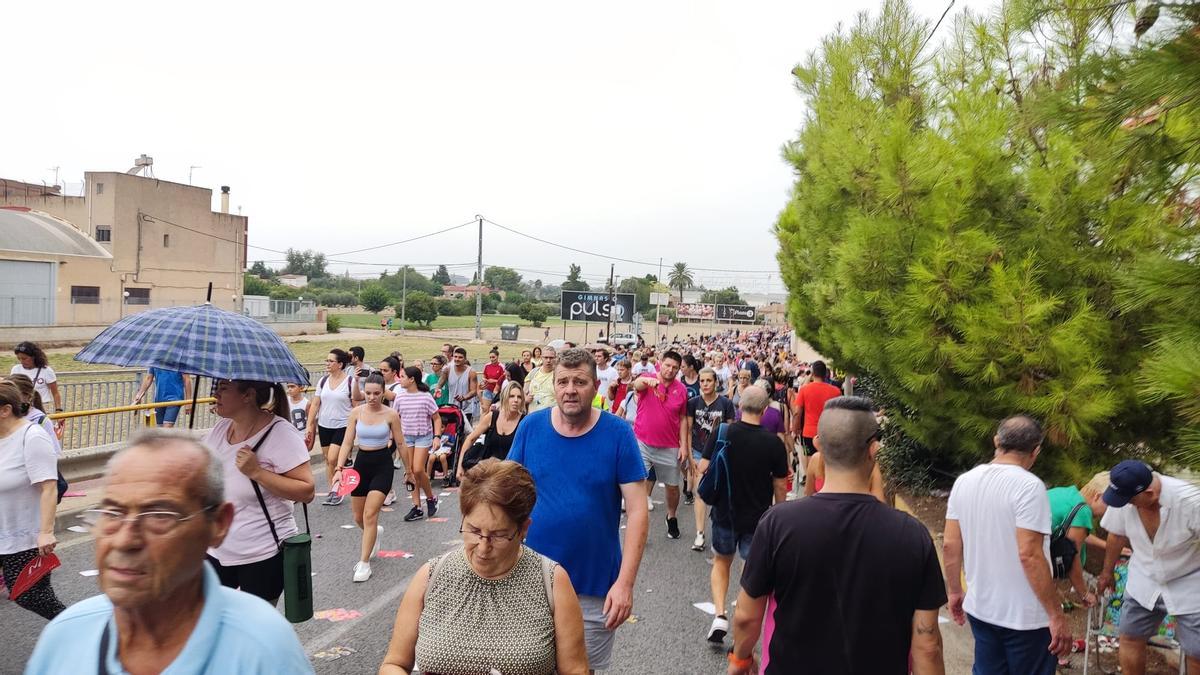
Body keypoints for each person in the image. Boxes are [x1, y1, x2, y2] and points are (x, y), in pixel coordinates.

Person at [27, 430, 313, 674]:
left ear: (217, 525)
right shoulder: (65, 635)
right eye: (112, 513)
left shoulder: (264, 647)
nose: (125, 541)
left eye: (159, 516)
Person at [727, 396, 946, 675]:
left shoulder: (778, 524)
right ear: (873, 449)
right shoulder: (912, 535)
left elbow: (747, 616)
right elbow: (927, 644)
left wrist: (740, 660)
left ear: (818, 444)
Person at [508, 348, 649, 673]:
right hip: (530, 580)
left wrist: (625, 584)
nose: (570, 389)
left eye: (580, 382)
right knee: (525, 665)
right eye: (563, 381)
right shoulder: (531, 427)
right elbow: (506, 491)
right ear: (553, 385)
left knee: (580, 669)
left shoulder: (618, 433)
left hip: (594, 584)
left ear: (596, 385)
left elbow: (638, 511)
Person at [380, 459, 588, 675]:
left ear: (524, 528)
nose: (483, 547)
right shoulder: (432, 575)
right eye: (474, 530)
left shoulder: (551, 581)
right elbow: (394, 663)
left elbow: (575, 669)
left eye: (498, 535)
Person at [943, 415, 1071, 674]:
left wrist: (955, 590)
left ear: (996, 441)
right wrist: (1055, 614)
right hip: (1025, 618)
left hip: (982, 607)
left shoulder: (964, 481)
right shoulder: (1029, 487)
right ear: (1036, 450)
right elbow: (1030, 554)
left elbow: (950, 544)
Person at [204, 380, 315, 603]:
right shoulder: (221, 428)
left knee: (251, 630)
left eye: (224, 389)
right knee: (206, 621)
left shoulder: (281, 433)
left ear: (248, 395)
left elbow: (306, 491)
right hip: (216, 549)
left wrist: (257, 472)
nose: (216, 394)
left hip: (262, 554)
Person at [697, 386, 786, 645]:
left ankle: (720, 615)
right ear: (766, 408)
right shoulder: (773, 443)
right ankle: (742, 622)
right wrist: (778, 513)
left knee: (721, 562)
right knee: (750, 570)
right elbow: (780, 484)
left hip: (725, 511)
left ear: (739, 406)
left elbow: (703, 467)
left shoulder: (723, 432)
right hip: (758, 517)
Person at [1096, 460, 1200, 675]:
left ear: (1150, 493)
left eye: (1131, 500)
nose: (1127, 504)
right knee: (1130, 637)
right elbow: (1116, 534)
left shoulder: (1190, 501)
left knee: (1196, 652)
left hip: (1189, 581)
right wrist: (1107, 572)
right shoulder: (1125, 498)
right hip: (1144, 578)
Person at [0, 380, 64, 620]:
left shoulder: (32, 436)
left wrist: (45, 532)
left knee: (32, 596)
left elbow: (49, 487)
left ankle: (83, 633)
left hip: (23, 537)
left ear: (5, 410)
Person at [333, 374, 404, 582]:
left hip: (382, 464)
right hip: (361, 464)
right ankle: (375, 534)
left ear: (383, 393)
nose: (372, 397)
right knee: (358, 517)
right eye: (368, 393)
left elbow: (400, 444)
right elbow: (347, 443)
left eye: (376, 393)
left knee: (370, 514)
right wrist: (339, 467)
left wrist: (410, 472)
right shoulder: (356, 412)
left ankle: (364, 563)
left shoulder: (391, 415)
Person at [632, 349, 688, 539]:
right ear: (660, 364)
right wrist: (646, 381)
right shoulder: (647, 379)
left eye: (675, 368)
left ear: (679, 370)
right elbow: (636, 384)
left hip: (670, 446)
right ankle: (639, 524)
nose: (670, 370)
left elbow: (682, 419)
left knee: (672, 487)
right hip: (643, 443)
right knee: (638, 484)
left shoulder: (681, 390)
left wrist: (684, 446)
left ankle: (671, 516)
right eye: (667, 365)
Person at [685, 367, 736, 552]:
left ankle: (720, 530)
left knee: (720, 493)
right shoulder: (692, 403)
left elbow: (732, 431)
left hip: (720, 454)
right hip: (699, 452)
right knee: (700, 492)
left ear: (716, 382)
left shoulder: (725, 404)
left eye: (709, 380)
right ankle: (700, 533)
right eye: (702, 380)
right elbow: (689, 429)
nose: (705, 384)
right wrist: (690, 456)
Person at [306, 349, 363, 506]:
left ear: (340, 364)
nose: (327, 363)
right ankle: (333, 490)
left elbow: (355, 405)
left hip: (343, 425)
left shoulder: (349, 381)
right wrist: (309, 425)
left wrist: (356, 428)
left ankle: (338, 490)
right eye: (327, 360)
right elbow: (316, 403)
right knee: (328, 460)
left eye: (330, 361)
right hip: (324, 425)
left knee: (333, 458)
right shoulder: (323, 381)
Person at [394, 365, 443, 522]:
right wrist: (392, 438)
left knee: (418, 469)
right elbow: (395, 419)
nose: (399, 379)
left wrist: (437, 437)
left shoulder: (425, 396)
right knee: (409, 472)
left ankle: (430, 498)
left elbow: (436, 418)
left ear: (412, 379)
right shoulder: (400, 397)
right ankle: (417, 506)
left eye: (402, 377)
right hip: (406, 438)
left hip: (423, 436)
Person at [458, 381, 526, 481]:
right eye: (511, 396)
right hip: (489, 475)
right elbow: (470, 439)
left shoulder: (524, 422)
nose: (515, 400)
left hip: (512, 477)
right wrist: (460, 466)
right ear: (505, 397)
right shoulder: (492, 416)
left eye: (519, 397)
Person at [791, 360, 841, 476]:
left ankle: (812, 489)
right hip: (828, 433)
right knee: (828, 464)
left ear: (812, 373)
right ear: (826, 374)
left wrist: (795, 430)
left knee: (810, 463)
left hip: (809, 433)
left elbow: (798, 413)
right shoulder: (836, 391)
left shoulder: (804, 390)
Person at [10, 342, 62, 432]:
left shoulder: (46, 370)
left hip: (43, 406)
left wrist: (59, 410)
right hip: (23, 407)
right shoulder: (16, 369)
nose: (22, 361)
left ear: (34, 357)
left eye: (25, 358)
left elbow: (55, 393)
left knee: (44, 431)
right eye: (19, 359)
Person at [435, 346, 480, 422]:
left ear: (465, 359)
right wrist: (438, 390)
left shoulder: (471, 372)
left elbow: (473, 391)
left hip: (466, 408)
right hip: (452, 406)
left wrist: (464, 397)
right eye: (455, 357)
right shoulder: (447, 369)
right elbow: (439, 384)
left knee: (465, 432)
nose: (457, 359)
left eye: (460, 357)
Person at [525, 345, 557, 412]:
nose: (548, 360)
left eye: (551, 358)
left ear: (555, 358)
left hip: (551, 416)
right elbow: (524, 392)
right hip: (533, 415)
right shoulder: (533, 372)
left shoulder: (559, 374)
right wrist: (525, 399)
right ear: (541, 358)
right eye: (546, 357)